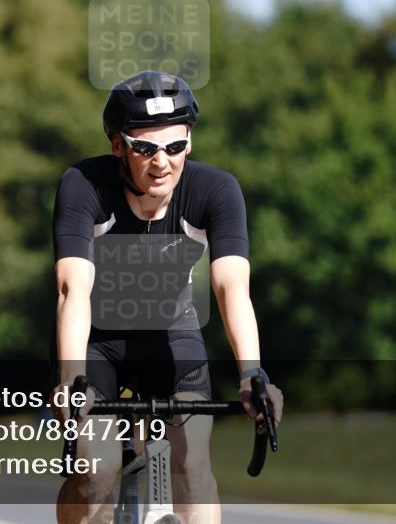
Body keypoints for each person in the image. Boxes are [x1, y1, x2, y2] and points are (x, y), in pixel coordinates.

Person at [51, 70, 284, 524]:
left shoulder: (215, 190)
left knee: (191, 462)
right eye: (145, 148)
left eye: (175, 146)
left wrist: (251, 375)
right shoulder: (83, 184)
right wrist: (70, 378)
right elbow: (71, 288)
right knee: (97, 468)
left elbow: (232, 287)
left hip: (173, 337)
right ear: (118, 145)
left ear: (190, 141)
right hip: (97, 342)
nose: (162, 162)